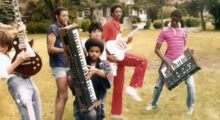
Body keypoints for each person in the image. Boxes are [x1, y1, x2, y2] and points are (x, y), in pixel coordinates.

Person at [145, 10, 195, 115]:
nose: (174, 22)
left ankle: (190, 107)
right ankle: (153, 104)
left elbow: (182, 47)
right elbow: (157, 49)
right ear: (170, 18)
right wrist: (166, 61)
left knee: (190, 85)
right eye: (173, 20)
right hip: (168, 60)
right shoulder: (164, 31)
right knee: (159, 84)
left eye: (177, 21)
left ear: (179, 20)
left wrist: (188, 52)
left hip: (182, 61)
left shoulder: (183, 32)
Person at [101, 5, 147, 118]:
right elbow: (102, 43)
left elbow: (118, 44)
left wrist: (128, 41)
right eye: (116, 12)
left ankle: (116, 114)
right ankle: (132, 87)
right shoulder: (108, 25)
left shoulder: (118, 26)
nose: (119, 13)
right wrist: (107, 56)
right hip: (113, 57)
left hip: (119, 54)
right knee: (142, 61)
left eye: (120, 12)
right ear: (111, 13)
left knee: (119, 86)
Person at [0, 29, 42, 120]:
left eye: (3, 45)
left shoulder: (12, 53)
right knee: (28, 115)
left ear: (8, 44)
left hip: (29, 80)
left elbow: (30, 53)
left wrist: (23, 32)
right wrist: (18, 61)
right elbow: (3, 74)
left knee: (37, 114)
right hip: (16, 83)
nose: (1, 48)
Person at [73, 38, 112, 120]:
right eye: (91, 51)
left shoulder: (105, 64)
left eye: (97, 51)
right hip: (82, 100)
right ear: (87, 51)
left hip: (97, 100)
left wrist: (96, 71)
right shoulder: (81, 63)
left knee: (92, 116)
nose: (94, 54)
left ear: (100, 52)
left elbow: (109, 83)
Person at [46, 7, 69, 120]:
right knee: (63, 95)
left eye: (67, 15)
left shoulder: (65, 28)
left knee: (63, 95)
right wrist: (65, 50)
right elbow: (50, 48)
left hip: (67, 64)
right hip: (58, 65)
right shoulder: (53, 28)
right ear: (57, 16)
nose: (66, 17)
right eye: (63, 15)